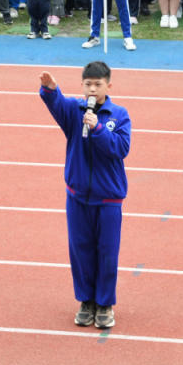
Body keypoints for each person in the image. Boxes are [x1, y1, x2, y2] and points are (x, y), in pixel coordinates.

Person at [38, 61, 131, 331]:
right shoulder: (74, 111)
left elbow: (120, 149)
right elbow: (57, 105)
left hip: (108, 199)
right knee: (80, 251)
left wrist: (99, 129)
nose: (92, 89)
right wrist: (50, 91)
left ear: (108, 86)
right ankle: (86, 301)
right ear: (81, 85)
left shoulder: (120, 114)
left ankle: (105, 304)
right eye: (88, 84)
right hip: (77, 197)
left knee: (107, 252)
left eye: (98, 84)